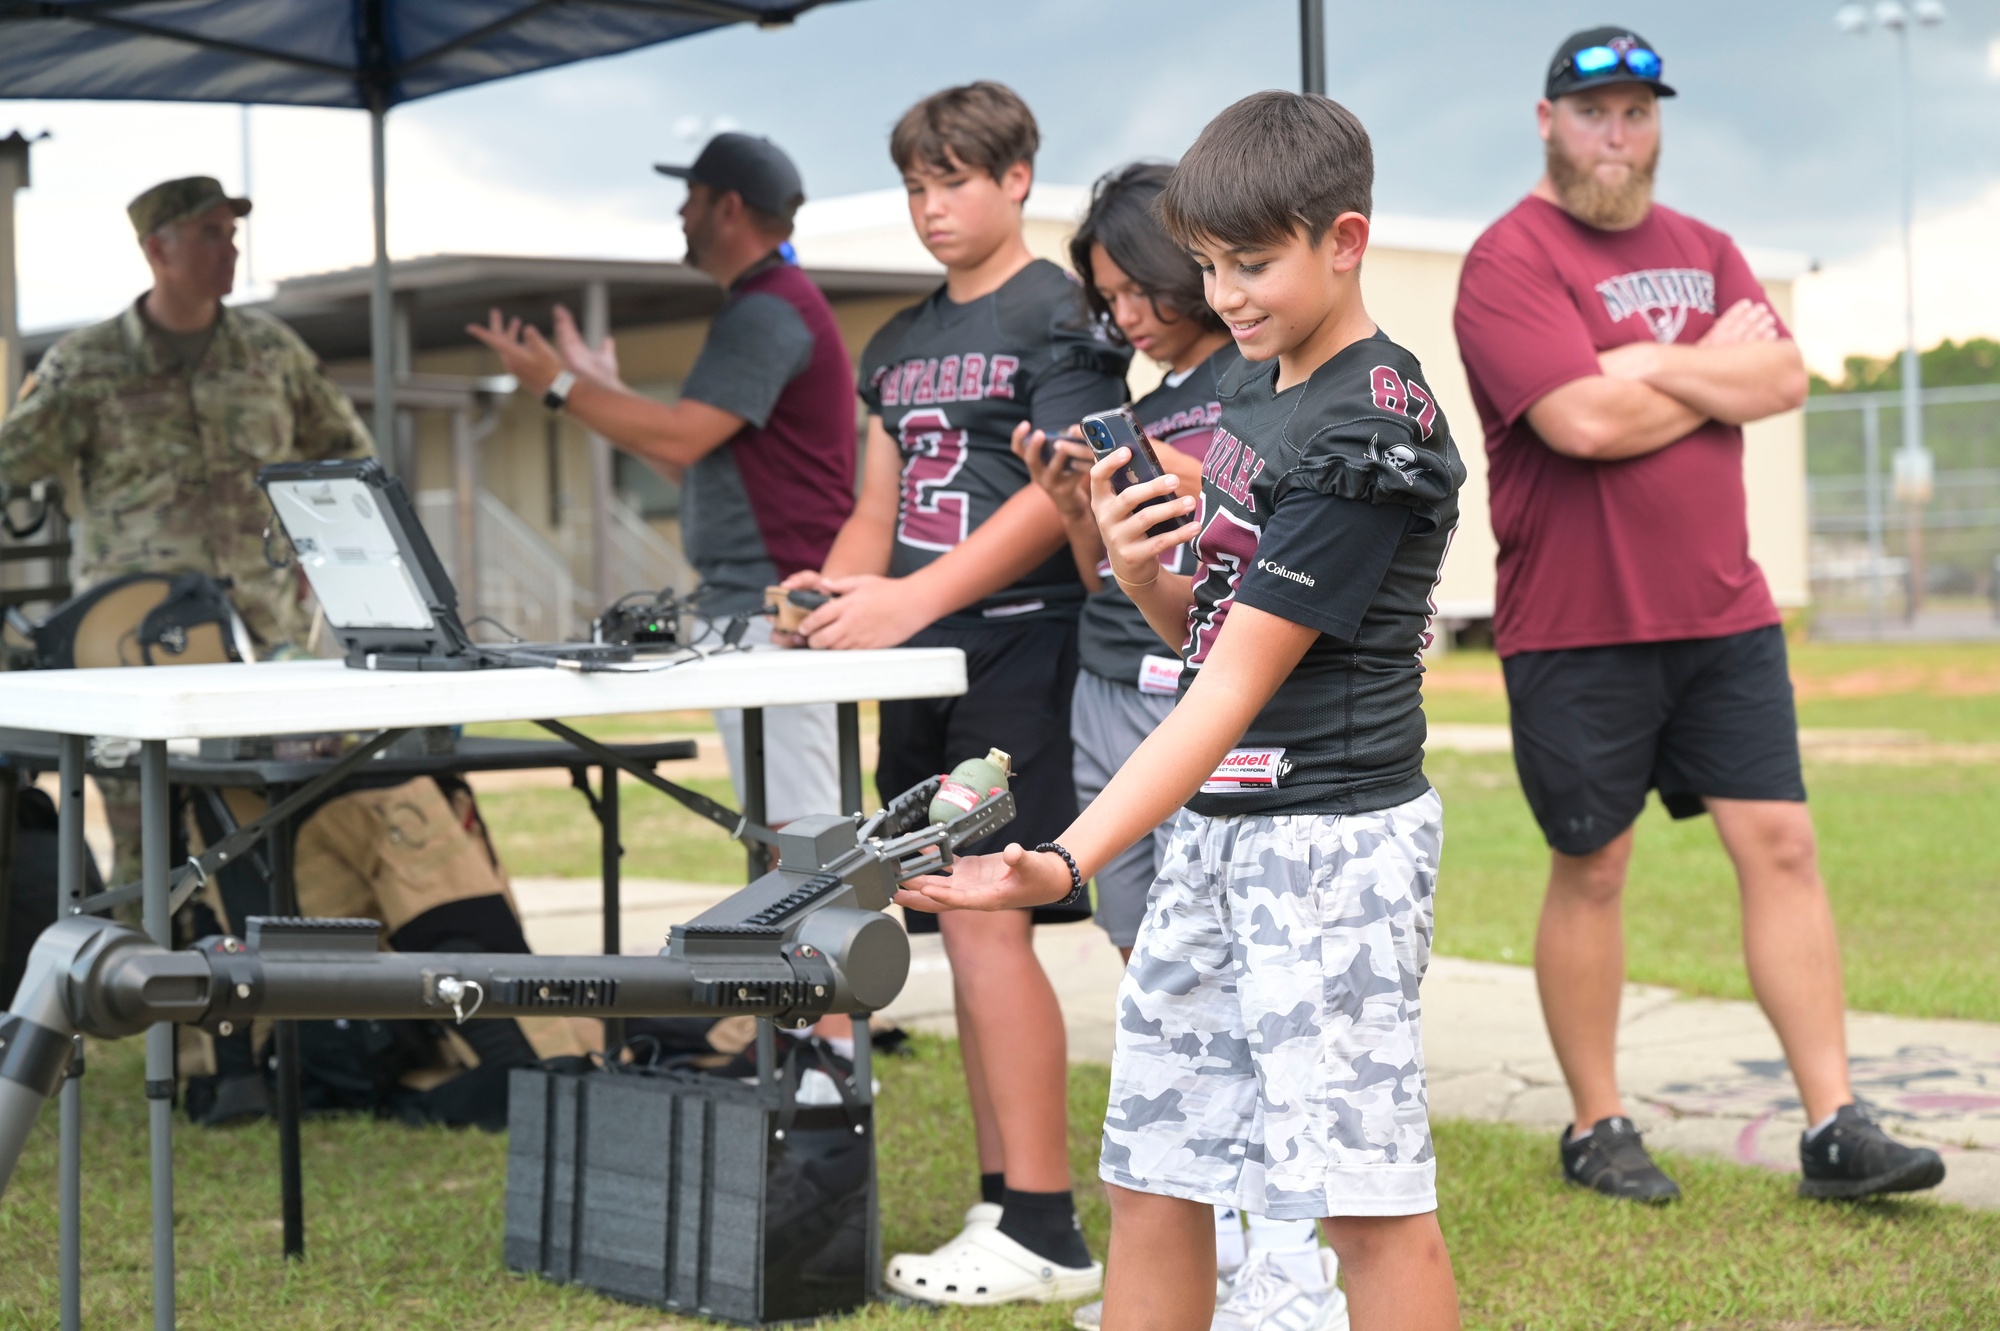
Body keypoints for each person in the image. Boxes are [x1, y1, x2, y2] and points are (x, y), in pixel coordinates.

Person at [900, 91, 1464, 1331]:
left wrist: (1058, 859)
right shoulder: (1254, 394)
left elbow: (1232, 689)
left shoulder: (1374, 420)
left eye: (1253, 263)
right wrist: (1148, 569)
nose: (1228, 296)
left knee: (1360, 1197)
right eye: (1209, 267)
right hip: (1213, 831)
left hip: (1328, 847)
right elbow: (1204, 638)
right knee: (1154, 1170)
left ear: (1345, 239)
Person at [1451, 26, 1945, 1204]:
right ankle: (1596, 1120)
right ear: (1545, 121)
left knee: (1780, 844)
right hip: (1574, 623)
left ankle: (1834, 1125)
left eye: (1635, 112)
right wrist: (1692, 369)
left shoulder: (1706, 245)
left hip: (1723, 615)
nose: (1615, 135)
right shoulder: (1506, 259)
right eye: (1591, 112)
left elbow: (1780, 377)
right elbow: (1575, 424)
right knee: (1595, 863)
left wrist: (1633, 359)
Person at [782, 82, 1129, 1304]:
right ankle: (1003, 1204)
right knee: (950, 917)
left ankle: (1041, 1220)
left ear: (1018, 177)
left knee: (989, 917)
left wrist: (912, 604)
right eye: (916, 185)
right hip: (917, 662)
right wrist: (836, 591)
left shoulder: (1063, 316)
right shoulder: (894, 340)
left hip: (1022, 646)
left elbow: (1059, 490)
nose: (933, 207)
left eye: (956, 180)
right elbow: (877, 512)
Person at [1019, 163, 1345, 1331]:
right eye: (1109, 298)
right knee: (1157, 980)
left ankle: (1280, 1255)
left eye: (1142, 286)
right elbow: (1122, 579)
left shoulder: (1271, 384)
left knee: (1258, 992)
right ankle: (1191, 1258)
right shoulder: (1143, 401)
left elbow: (1273, 549)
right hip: (1121, 669)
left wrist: (1189, 482)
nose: (1131, 315)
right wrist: (1077, 508)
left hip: (1219, 703)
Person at [468, 132, 852, 832]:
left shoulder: (768, 310)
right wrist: (602, 390)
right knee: (786, 835)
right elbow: (690, 458)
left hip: (775, 610)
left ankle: (825, 947)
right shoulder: (768, 304)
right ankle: (800, 944)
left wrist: (555, 385)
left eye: (692, 197)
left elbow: (680, 434)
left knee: (803, 842)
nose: (681, 212)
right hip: (758, 608)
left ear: (728, 207)